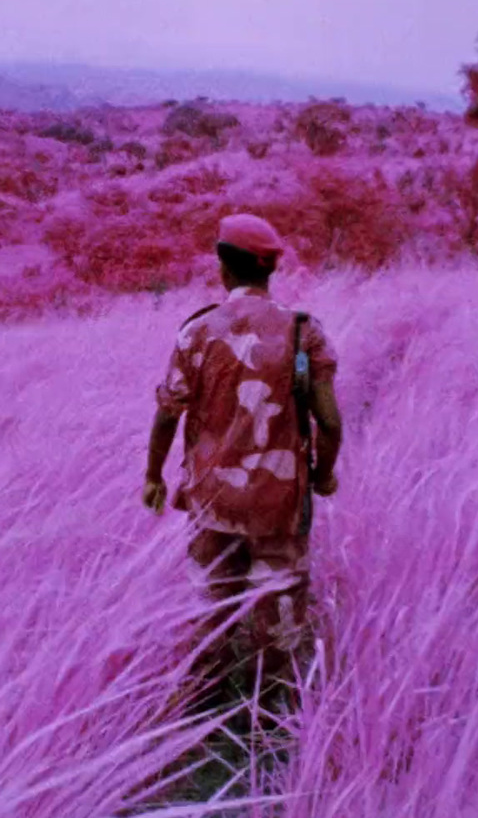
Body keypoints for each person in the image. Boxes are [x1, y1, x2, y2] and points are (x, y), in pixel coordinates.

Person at [143, 213, 343, 701]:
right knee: (279, 604)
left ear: (222, 267)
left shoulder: (197, 331)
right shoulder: (304, 331)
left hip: (212, 496)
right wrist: (323, 472)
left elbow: (169, 412)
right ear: (269, 269)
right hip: (279, 498)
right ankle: (271, 706)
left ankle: (204, 697)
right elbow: (330, 421)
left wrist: (153, 474)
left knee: (210, 596)